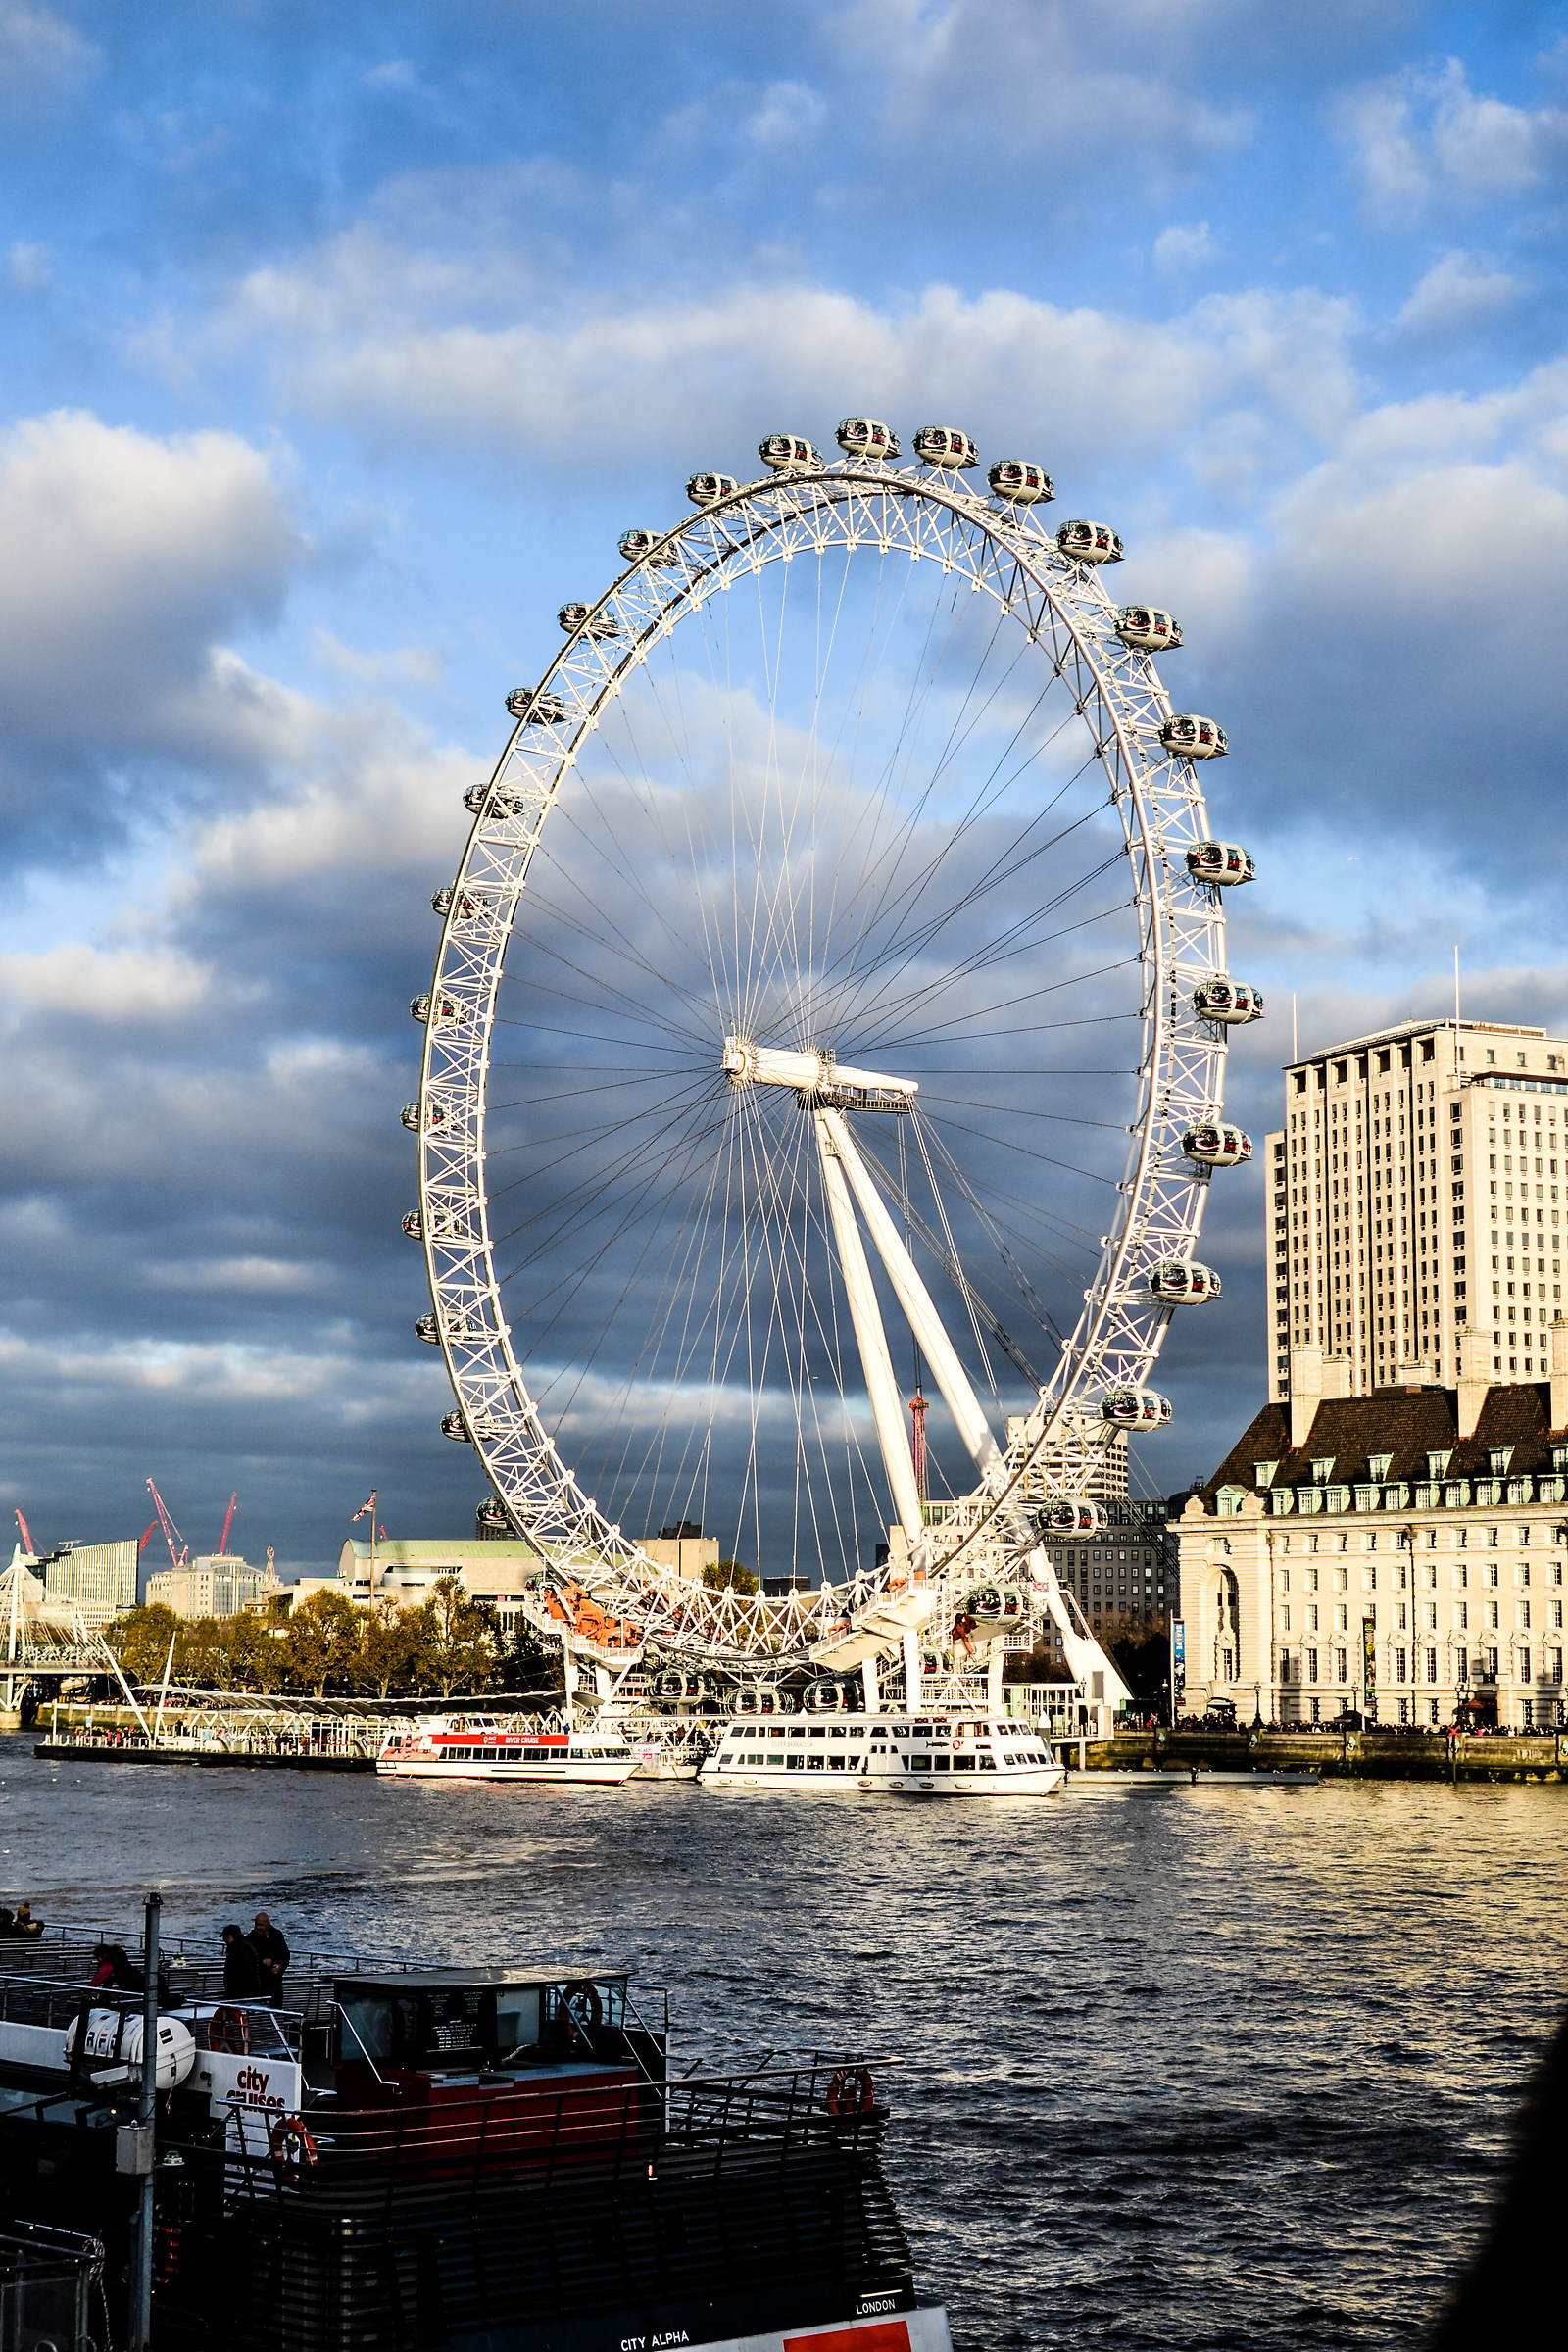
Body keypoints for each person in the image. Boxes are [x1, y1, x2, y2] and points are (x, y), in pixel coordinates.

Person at [249, 1911, 290, 1999]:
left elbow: (285, 1955)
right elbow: (247, 1959)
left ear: (267, 1924)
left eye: (261, 1925)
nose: (258, 1927)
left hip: (275, 1980)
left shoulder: (277, 1935)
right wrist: (261, 1962)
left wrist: (280, 1966)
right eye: (256, 1924)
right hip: (258, 1981)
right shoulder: (251, 1938)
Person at [221, 1923, 262, 1996]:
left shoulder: (236, 1950)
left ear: (230, 1937)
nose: (224, 1940)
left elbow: (235, 1973)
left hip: (240, 1993)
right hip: (250, 1991)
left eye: (224, 1938)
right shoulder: (247, 1946)